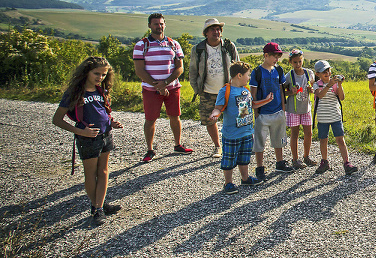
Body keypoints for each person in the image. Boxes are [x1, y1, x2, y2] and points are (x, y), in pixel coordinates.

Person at [52, 56, 124, 225]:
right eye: (96, 74)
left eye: (104, 75)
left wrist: (111, 122)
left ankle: (101, 203)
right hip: (88, 139)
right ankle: (97, 208)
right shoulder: (75, 93)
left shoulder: (102, 91)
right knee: (91, 174)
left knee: (104, 171)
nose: (100, 78)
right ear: (86, 72)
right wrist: (80, 131)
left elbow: (102, 112)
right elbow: (57, 119)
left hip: (106, 134)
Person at [133, 13, 192, 163]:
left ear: (165, 25)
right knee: (150, 119)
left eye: (161, 24)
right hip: (150, 89)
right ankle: (149, 149)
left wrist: (164, 83)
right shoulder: (141, 45)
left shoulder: (174, 44)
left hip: (172, 87)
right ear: (149, 26)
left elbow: (180, 68)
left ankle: (178, 144)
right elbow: (139, 70)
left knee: (175, 116)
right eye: (155, 24)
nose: (159, 26)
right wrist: (157, 86)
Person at [208, 62, 271, 194]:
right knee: (229, 158)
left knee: (244, 157)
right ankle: (228, 183)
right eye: (247, 75)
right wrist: (215, 115)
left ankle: (245, 178)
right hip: (231, 134)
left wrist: (266, 101)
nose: (249, 78)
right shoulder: (225, 91)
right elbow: (218, 108)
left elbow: (251, 105)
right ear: (239, 75)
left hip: (246, 132)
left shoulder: (245, 90)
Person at [189, 18, 239, 158]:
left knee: (234, 119)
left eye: (218, 29)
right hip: (207, 92)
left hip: (229, 90)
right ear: (206, 33)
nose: (216, 32)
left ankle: (232, 145)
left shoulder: (229, 46)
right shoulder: (198, 49)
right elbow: (193, 71)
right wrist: (197, 89)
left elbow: (238, 66)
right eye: (212, 29)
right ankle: (218, 146)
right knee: (210, 120)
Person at [249, 42, 289, 181]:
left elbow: (281, 90)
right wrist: (256, 113)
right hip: (263, 113)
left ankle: (280, 163)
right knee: (259, 142)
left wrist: (283, 109)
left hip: (278, 111)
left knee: (279, 139)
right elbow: (253, 93)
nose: (276, 59)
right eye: (274, 56)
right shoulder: (257, 72)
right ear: (266, 55)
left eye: (278, 56)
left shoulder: (279, 70)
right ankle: (259, 168)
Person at [312, 60, 355, 175]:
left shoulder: (335, 84)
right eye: (323, 72)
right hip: (322, 118)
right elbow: (320, 95)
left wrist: (339, 85)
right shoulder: (317, 85)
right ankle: (324, 161)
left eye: (328, 70)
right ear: (318, 74)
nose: (327, 73)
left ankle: (347, 163)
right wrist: (329, 85)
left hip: (335, 116)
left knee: (340, 140)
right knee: (323, 140)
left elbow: (342, 97)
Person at [284, 48, 316, 169]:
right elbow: (283, 92)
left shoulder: (309, 73)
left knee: (309, 133)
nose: (298, 64)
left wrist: (311, 89)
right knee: (295, 134)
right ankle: (295, 159)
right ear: (290, 62)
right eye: (295, 62)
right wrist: (290, 92)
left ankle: (306, 156)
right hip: (293, 110)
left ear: (303, 60)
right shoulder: (288, 76)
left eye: (300, 61)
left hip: (306, 108)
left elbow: (313, 86)